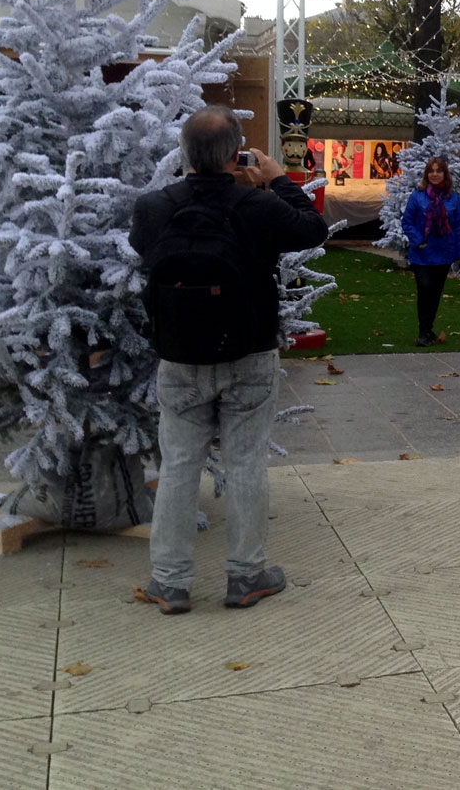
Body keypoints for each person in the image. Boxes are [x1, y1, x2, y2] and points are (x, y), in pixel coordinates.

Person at [130, 106, 329, 615]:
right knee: (245, 464)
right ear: (237, 153)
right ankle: (246, 576)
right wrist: (278, 179)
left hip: (179, 358)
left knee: (178, 467)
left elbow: (142, 249)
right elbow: (313, 229)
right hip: (249, 352)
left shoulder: (153, 207)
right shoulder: (257, 206)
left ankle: (169, 582)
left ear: (184, 153)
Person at [402, 156, 460, 347]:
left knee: (435, 293)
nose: (435, 174)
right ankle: (423, 332)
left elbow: (458, 227)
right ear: (426, 174)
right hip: (422, 254)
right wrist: (419, 240)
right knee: (424, 290)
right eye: (431, 171)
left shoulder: (453, 199)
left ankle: (428, 329)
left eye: (439, 171)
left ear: (445, 174)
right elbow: (407, 222)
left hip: (444, 253)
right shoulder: (418, 196)